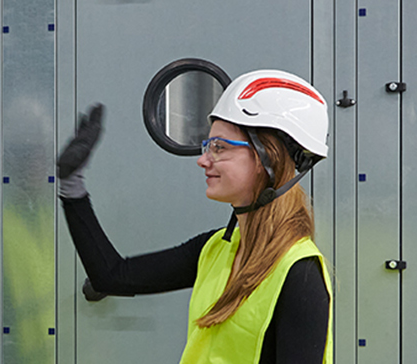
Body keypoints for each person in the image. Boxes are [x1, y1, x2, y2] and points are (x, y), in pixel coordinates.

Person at [53, 70, 334, 364]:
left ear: (269, 158)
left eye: (220, 147)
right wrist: (72, 185)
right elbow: (112, 276)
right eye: (207, 146)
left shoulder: (300, 274)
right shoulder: (215, 249)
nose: (203, 160)